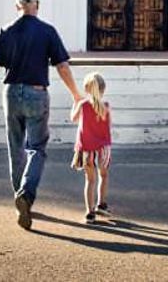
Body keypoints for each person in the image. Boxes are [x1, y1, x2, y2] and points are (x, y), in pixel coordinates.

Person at [0, 0, 81, 231]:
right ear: (37, 5)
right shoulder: (47, 31)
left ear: (17, 6)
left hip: (10, 92)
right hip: (36, 93)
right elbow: (62, 67)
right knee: (37, 148)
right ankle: (26, 193)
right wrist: (76, 94)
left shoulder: (6, 31)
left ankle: (19, 197)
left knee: (15, 147)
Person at [70, 71, 113, 224]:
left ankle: (90, 212)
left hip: (87, 148)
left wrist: (76, 101)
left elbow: (73, 118)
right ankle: (101, 203)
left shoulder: (83, 105)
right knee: (104, 175)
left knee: (90, 180)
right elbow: (109, 125)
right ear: (103, 89)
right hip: (103, 148)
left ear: (86, 89)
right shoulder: (106, 106)